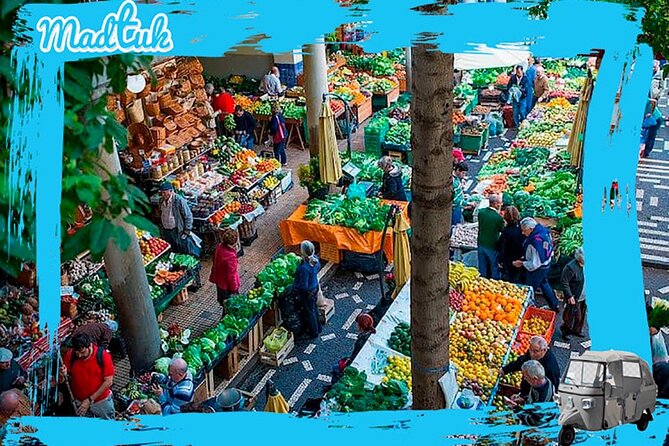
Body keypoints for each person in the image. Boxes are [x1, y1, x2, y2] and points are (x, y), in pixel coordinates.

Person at [60, 333, 115, 419]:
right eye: (77, 352)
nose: (79, 355)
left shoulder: (103, 356)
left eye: (82, 352)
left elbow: (108, 381)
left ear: (89, 346)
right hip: (80, 402)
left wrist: (89, 400)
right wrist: (62, 374)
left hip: (101, 402)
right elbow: (62, 379)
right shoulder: (70, 355)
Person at [159, 182, 201, 290]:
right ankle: (181, 280)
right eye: (162, 193)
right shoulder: (161, 201)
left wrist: (186, 231)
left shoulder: (178, 200)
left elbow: (188, 216)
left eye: (164, 192)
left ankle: (195, 282)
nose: (163, 194)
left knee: (187, 256)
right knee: (176, 256)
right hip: (168, 232)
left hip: (179, 232)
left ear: (170, 191)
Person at [513, 217, 558, 311]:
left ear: (531, 229)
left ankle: (528, 308)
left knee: (529, 288)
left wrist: (522, 263)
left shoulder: (533, 243)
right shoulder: (543, 230)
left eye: (524, 230)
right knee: (544, 283)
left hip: (538, 269)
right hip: (547, 262)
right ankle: (554, 305)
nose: (522, 233)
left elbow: (534, 265)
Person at [292, 241, 322, 340]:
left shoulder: (304, 268)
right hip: (315, 287)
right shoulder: (316, 260)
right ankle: (318, 328)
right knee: (314, 308)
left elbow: (303, 286)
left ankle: (314, 333)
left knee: (310, 311)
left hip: (308, 292)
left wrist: (294, 286)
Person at [209, 228, 241, 315]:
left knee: (225, 305)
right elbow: (232, 275)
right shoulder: (231, 257)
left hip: (219, 282)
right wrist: (234, 289)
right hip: (227, 286)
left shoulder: (219, 248)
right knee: (231, 308)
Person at [560, 247, 586, 340]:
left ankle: (577, 330)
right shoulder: (570, 268)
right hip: (575, 296)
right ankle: (565, 330)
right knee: (572, 316)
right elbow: (564, 282)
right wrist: (569, 295)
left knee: (582, 315)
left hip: (584, 295)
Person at [477, 194, 505, 279]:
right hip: (492, 245)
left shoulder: (481, 212)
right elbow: (502, 230)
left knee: (482, 266)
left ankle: (482, 281)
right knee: (494, 266)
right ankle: (495, 282)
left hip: (481, 242)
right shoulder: (498, 218)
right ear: (495, 204)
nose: (501, 205)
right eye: (500, 203)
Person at [496, 206, 524, 284]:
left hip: (509, 259)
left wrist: (500, 260)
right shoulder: (521, 228)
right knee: (518, 275)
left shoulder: (506, 231)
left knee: (511, 278)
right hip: (520, 256)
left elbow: (501, 247)